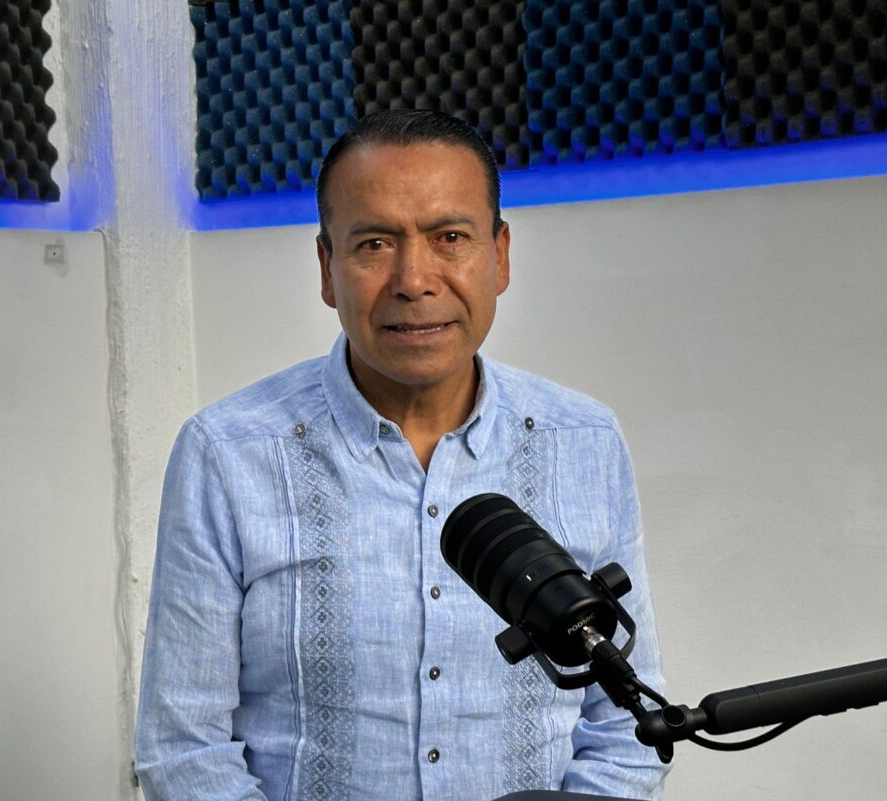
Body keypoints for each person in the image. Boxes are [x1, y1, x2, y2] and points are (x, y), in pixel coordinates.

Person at [135, 110, 669, 801]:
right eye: (375, 244)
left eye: (450, 237)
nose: (414, 280)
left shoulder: (584, 440)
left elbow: (628, 723)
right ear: (328, 269)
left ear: (500, 255)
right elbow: (183, 748)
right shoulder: (227, 454)